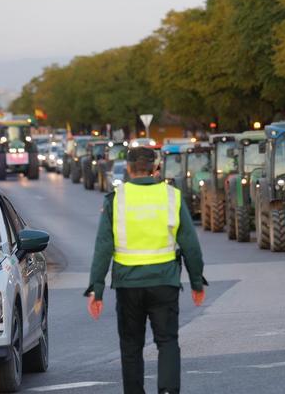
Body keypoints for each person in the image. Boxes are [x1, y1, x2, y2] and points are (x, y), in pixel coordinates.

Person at [84, 146, 206, 394]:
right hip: (165, 283)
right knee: (167, 341)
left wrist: (96, 289)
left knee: (130, 346)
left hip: (128, 285)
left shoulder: (116, 200)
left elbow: (103, 247)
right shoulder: (171, 196)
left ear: (128, 168)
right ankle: (168, 391)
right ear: (155, 168)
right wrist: (196, 282)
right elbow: (190, 244)